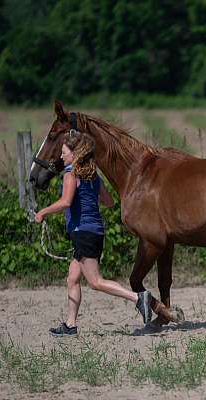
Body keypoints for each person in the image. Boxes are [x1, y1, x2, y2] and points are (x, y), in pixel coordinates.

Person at [35, 130, 153, 337]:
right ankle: (70, 326)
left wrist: (43, 212)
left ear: (75, 153)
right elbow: (109, 202)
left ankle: (138, 298)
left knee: (95, 282)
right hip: (94, 232)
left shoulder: (71, 175)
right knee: (72, 279)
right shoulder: (92, 176)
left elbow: (65, 202)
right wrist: (88, 197)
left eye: (64, 152)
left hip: (83, 233)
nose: (61, 156)